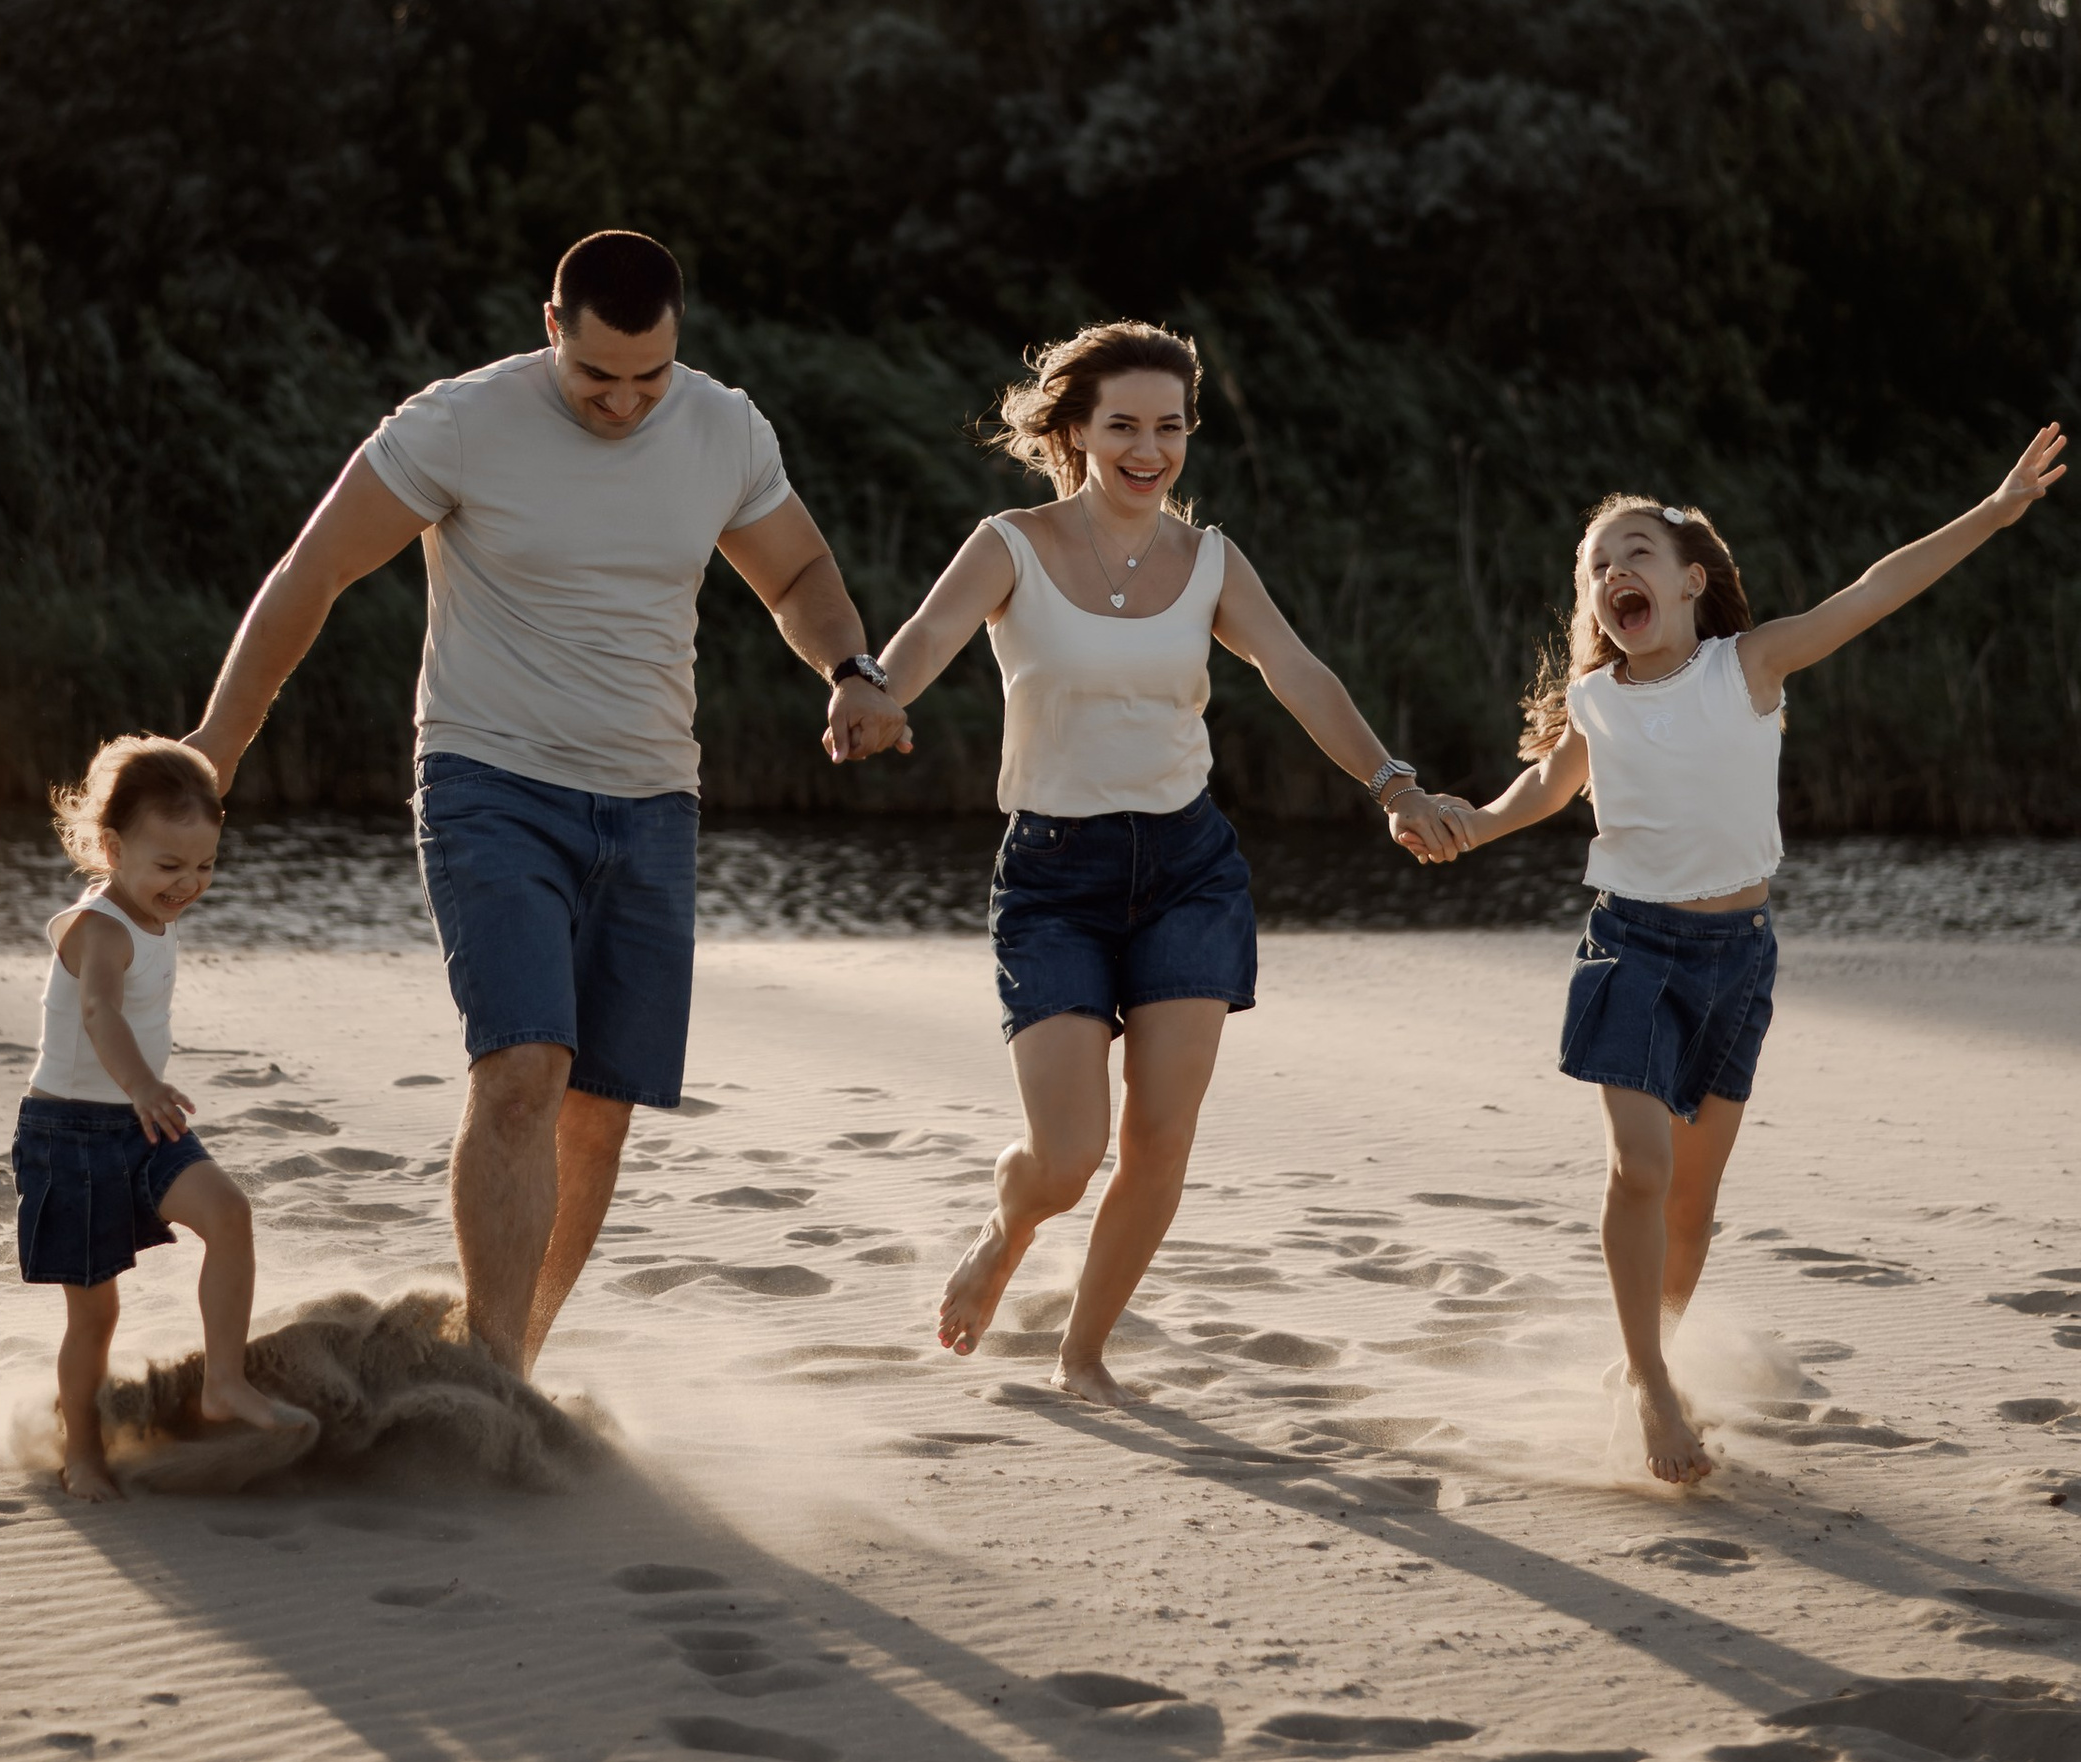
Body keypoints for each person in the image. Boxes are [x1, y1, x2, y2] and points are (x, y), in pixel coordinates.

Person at [186, 230, 907, 1376]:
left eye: (648, 378)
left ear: (678, 347)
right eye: (596, 377)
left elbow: (798, 575)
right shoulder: (458, 424)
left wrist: (850, 669)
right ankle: (487, 1386)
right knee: (523, 1066)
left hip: (653, 800)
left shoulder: (725, 427)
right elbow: (310, 572)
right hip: (489, 779)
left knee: (598, 1106)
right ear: (550, 329)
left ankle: (506, 1362)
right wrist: (217, 746)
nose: (623, 403)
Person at [833, 321, 1472, 1404]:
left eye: (1168, 427)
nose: (1148, 449)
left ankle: (1085, 1353)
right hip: (1051, 880)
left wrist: (1393, 785)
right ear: (1074, 430)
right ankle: (1006, 1230)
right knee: (1066, 1156)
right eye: (1123, 425)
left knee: (1159, 1140)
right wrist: (876, 692)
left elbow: (1298, 673)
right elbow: (928, 636)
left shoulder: (1208, 561)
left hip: (1187, 869)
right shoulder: (1011, 543)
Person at [1441, 427, 2066, 1485]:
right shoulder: (1592, 704)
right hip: (1629, 947)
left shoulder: (1748, 666)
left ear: (1690, 581)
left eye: (1633, 552)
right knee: (1638, 1170)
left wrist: (1994, 511)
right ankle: (1650, 1386)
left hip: (1737, 958)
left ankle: (1653, 1349)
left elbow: (1871, 592)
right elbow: (1537, 796)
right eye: (1596, 566)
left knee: (1689, 1203)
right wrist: (1462, 822)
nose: (1611, 574)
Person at [13, 735, 304, 1502]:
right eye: (169, 867)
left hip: (138, 1121)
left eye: (205, 866)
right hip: (71, 1132)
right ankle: (82, 1449)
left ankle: (224, 1382)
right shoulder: (100, 927)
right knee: (95, 1313)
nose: (188, 885)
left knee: (229, 1214)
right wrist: (142, 1084)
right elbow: (101, 1011)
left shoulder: (153, 908)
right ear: (111, 849)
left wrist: (142, 1097)